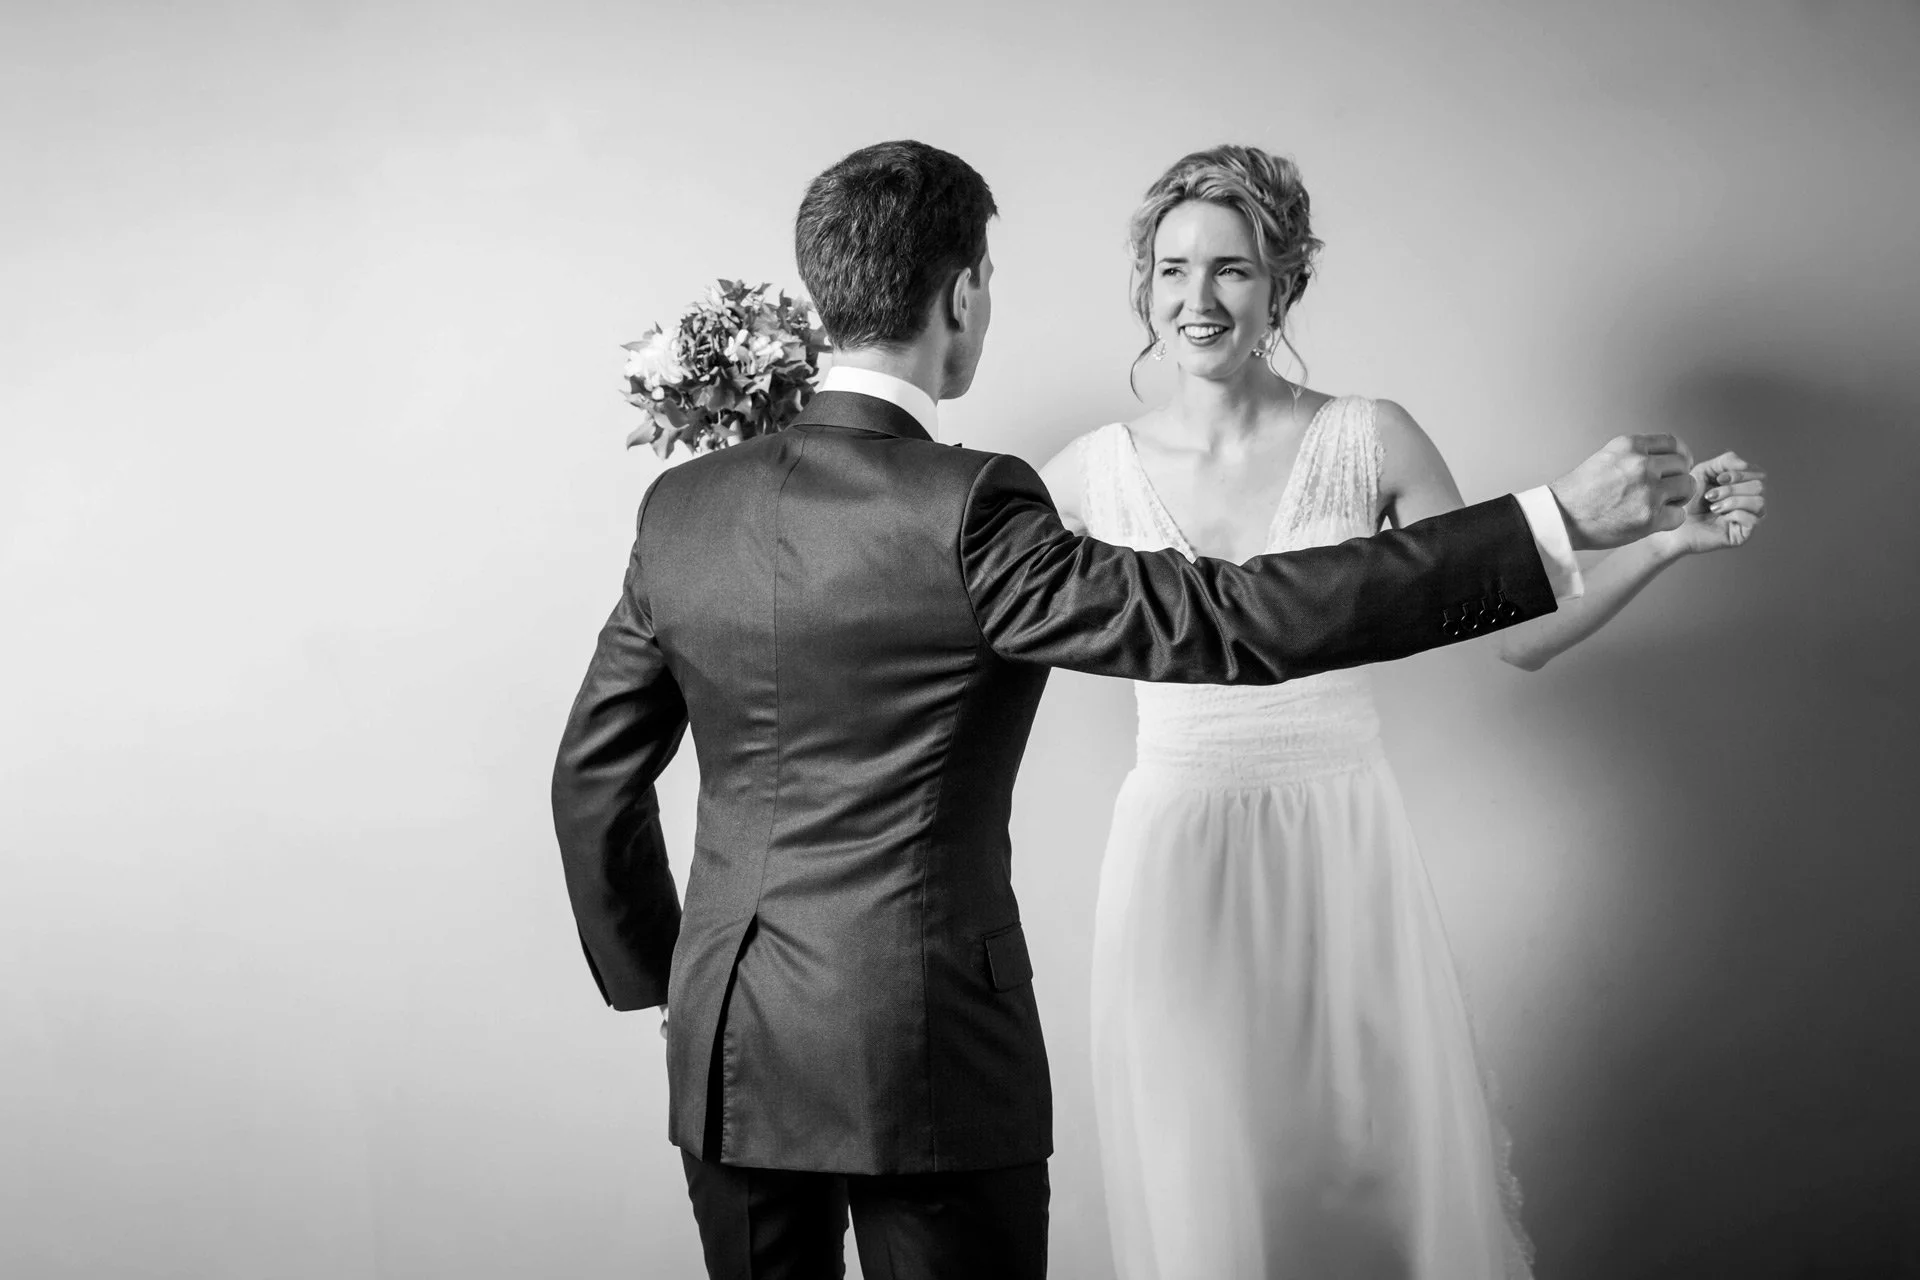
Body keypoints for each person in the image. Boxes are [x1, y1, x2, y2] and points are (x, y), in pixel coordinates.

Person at [550, 139, 1696, 1280]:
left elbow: (592, 780)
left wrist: (682, 982)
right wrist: (1545, 521)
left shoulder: (684, 506)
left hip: (731, 1049)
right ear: (963, 292)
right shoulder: (978, 508)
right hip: (930, 1045)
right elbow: (1231, 618)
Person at [1037, 144, 1769, 1279]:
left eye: (1232, 269)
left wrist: (1665, 543)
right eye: (1172, 268)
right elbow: (960, 607)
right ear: (1142, 283)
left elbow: (1517, 628)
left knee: (1370, 1179)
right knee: (1204, 1186)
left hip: (1340, 842)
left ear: (1284, 281)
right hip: (1176, 854)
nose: (1198, 299)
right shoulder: (1084, 475)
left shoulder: (1369, 437)